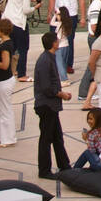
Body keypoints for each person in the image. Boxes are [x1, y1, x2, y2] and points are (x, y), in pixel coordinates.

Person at [33, 30, 72, 179]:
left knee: (56, 136)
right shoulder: (45, 60)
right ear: (54, 44)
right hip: (46, 105)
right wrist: (62, 94)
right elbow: (46, 87)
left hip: (51, 105)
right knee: (46, 138)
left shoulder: (50, 58)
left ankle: (64, 165)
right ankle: (44, 170)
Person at [48, 0, 86, 75]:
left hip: (71, 15)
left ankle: (68, 64)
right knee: (53, 39)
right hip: (57, 13)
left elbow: (81, 0)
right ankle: (53, 62)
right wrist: (49, 14)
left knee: (69, 40)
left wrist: (83, 17)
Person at [5, 0, 41, 82]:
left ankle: (7, 71)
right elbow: (25, 10)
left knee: (11, 48)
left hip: (8, 21)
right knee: (23, 49)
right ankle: (21, 74)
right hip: (19, 24)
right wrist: (35, 7)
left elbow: (16, 0)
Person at [0, 16, 17, 147]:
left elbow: (5, 65)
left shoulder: (6, 46)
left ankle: (8, 138)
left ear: (1, 30)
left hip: (5, 81)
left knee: (5, 110)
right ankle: (0, 136)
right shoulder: (2, 42)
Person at [50, 7, 74, 86]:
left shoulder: (61, 25)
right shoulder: (64, 24)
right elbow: (52, 23)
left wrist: (54, 45)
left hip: (60, 47)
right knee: (63, 63)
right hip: (66, 46)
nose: (57, 17)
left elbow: (58, 38)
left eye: (58, 15)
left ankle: (64, 80)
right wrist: (55, 15)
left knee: (59, 64)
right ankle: (64, 78)